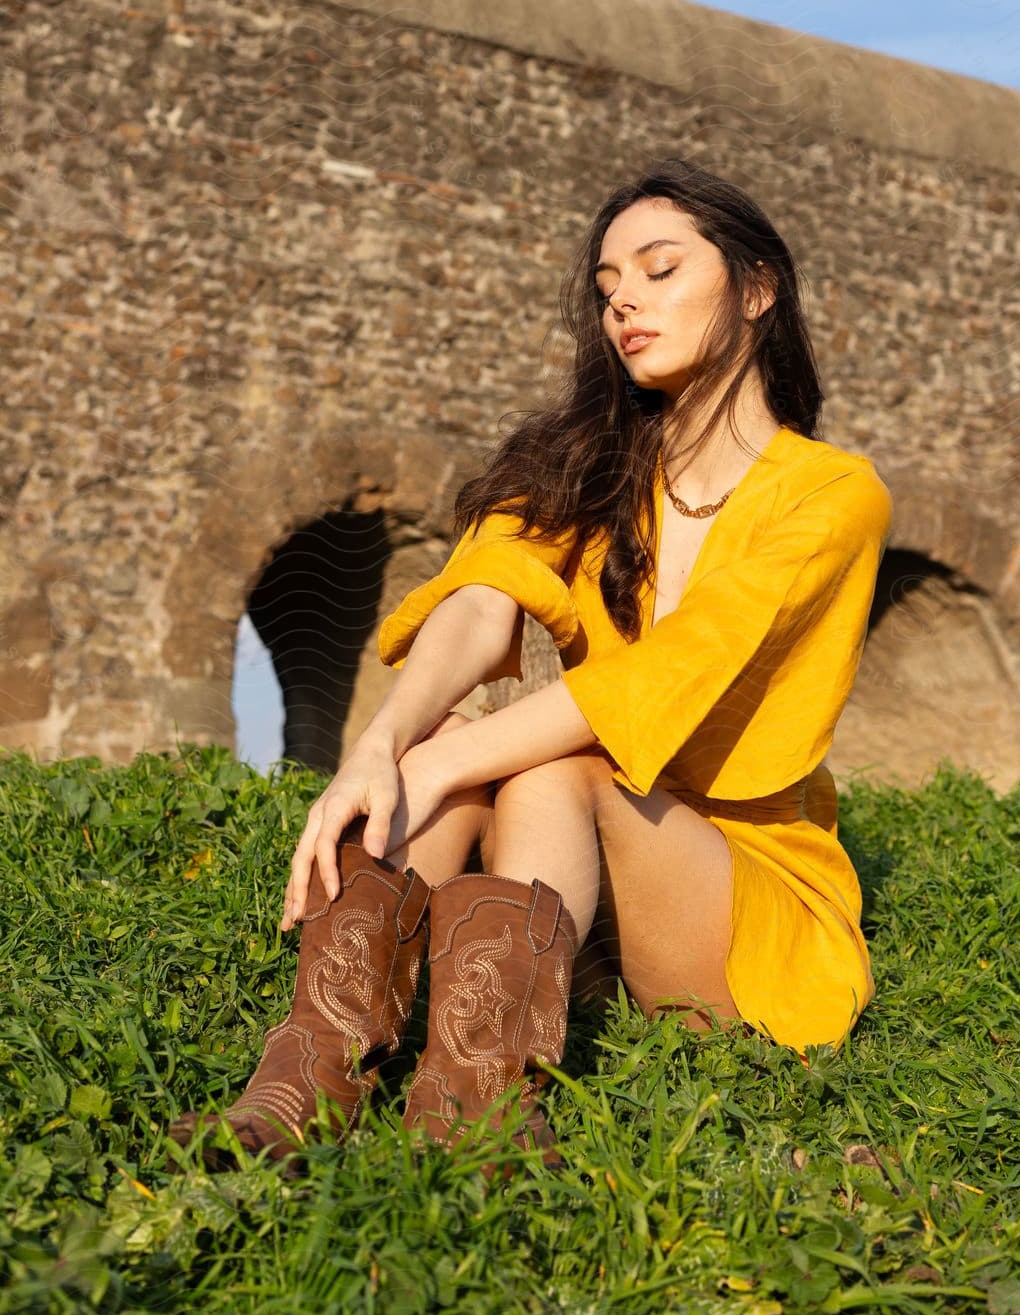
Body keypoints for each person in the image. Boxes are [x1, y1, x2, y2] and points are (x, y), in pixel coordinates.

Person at [168, 156, 893, 1180]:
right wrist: (384, 745)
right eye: (608, 288)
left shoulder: (833, 495)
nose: (626, 302)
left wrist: (432, 769)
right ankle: (312, 1072)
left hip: (737, 904)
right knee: (461, 740)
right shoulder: (588, 465)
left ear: (757, 287)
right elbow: (482, 597)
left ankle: (482, 1097)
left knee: (552, 757)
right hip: (585, 881)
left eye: (659, 269)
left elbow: (656, 687)